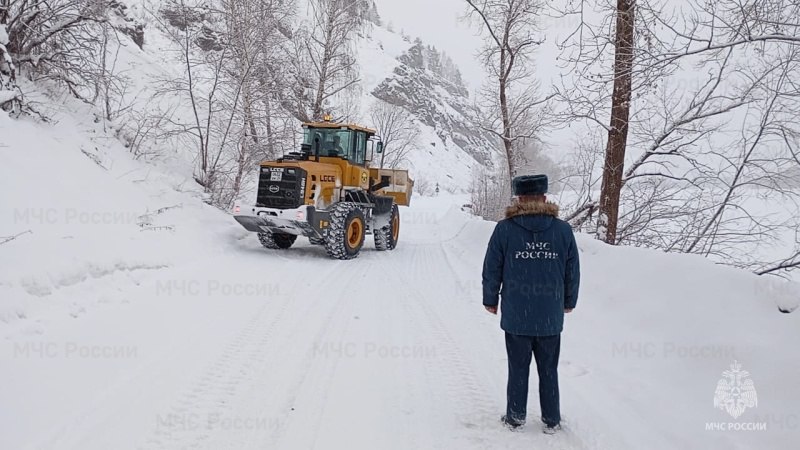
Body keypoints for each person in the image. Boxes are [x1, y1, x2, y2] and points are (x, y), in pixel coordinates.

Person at [482, 174, 580, 434]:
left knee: (517, 367)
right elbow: (573, 271)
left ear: (520, 198)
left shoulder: (505, 229)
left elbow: (492, 269)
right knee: (549, 368)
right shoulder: (562, 230)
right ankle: (551, 419)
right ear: (544, 198)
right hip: (550, 314)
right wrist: (569, 301)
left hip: (516, 315)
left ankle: (515, 416)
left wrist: (490, 299)